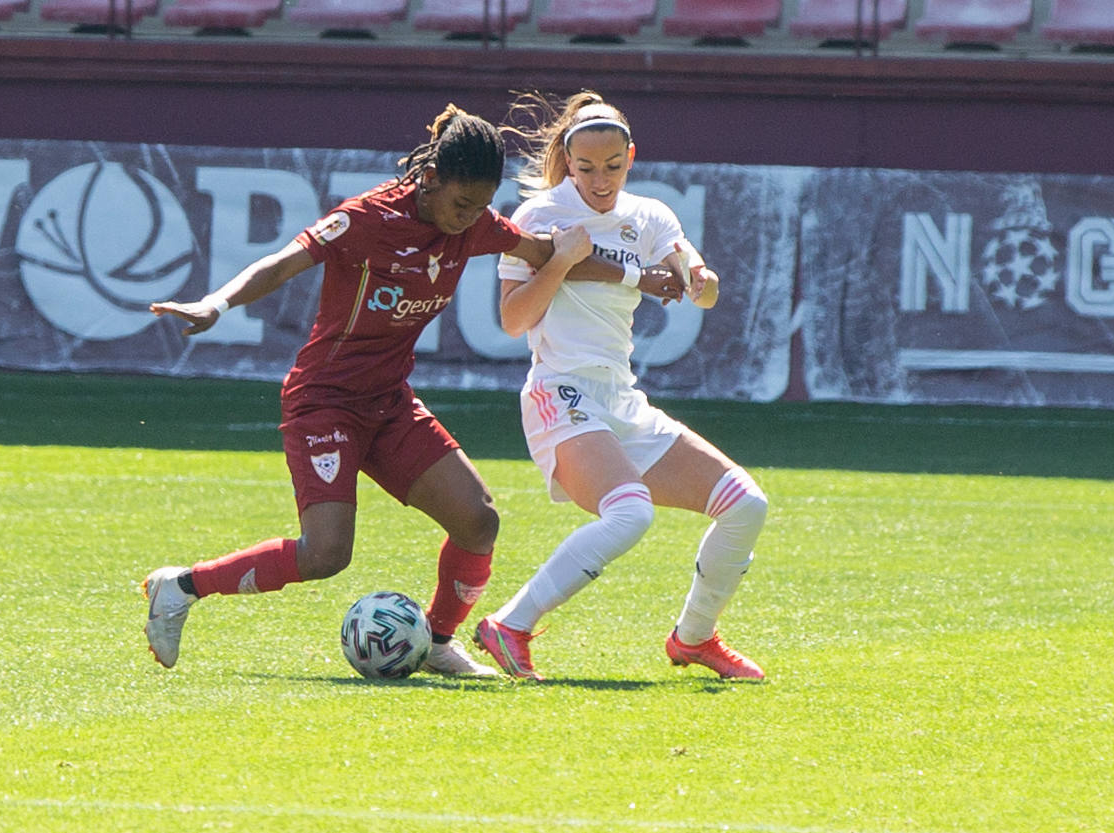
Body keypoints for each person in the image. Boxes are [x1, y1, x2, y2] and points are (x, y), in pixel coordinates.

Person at [141, 104, 680, 676]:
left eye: (480, 206)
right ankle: (181, 587)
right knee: (326, 555)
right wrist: (214, 304)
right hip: (325, 401)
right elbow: (281, 263)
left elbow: (552, 257)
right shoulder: (368, 218)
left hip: (390, 402)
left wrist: (640, 278)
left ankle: (438, 642)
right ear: (430, 180)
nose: (469, 218)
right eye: (460, 204)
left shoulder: (476, 226)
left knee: (478, 521)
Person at [471, 91, 769, 681]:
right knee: (629, 512)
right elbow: (512, 321)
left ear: (631, 157)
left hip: (620, 400)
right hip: (560, 392)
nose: (599, 179)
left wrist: (699, 277)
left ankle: (694, 639)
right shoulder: (539, 217)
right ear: (566, 159)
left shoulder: (651, 216)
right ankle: (509, 625)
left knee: (746, 505)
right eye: (585, 168)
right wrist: (558, 263)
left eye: (612, 166)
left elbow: (702, 289)